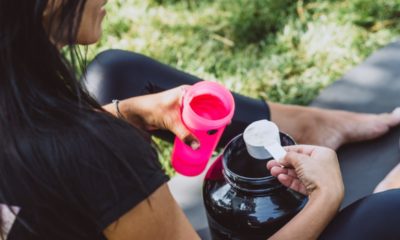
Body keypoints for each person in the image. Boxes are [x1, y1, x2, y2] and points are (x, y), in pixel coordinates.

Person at [1, 0, 399, 239]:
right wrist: (326, 197)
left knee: (116, 74)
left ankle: (311, 124)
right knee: (389, 211)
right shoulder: (95, 152)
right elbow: (82, 156)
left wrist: (128, 113)